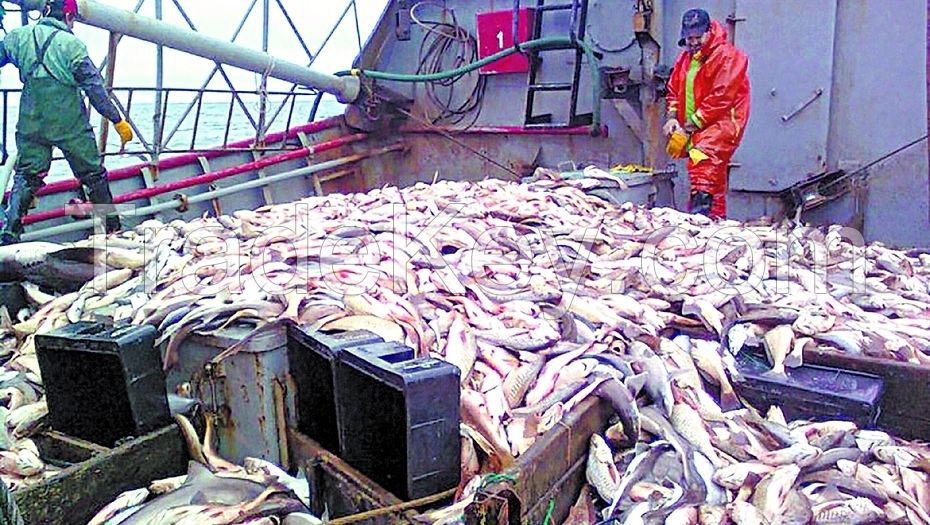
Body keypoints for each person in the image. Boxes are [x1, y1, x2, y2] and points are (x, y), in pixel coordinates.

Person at [0, 0, 133, 245]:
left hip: (31, 119)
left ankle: (9, 234)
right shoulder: (72, 45)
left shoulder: (17, 38)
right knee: (93, 175)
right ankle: (112, 229)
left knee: (27, 175)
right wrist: (117, 120)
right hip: (69, 122)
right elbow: (95, 89)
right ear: (69, 17)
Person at [664, 8, 750, 219]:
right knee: (715, 178)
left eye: (697, 37)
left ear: (709, 31)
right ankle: (714, 224)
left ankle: (698, 220)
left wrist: (687, 128)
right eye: (689, 38)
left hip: (723, 124)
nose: (693, 42)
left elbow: (720, 98)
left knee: (702, 162)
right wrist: (672, 118)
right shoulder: (686, 59)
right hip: (698, 127)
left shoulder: (728, 57)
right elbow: (673, 91)